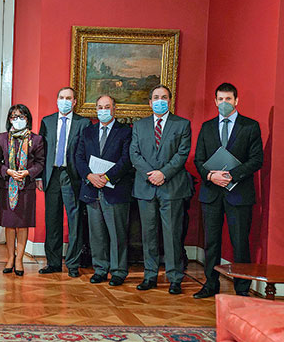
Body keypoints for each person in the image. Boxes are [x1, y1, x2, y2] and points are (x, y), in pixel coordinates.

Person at [193, 83, 263, 299]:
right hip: (211, 192)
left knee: (240, 242)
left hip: (239, 194)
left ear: (236, 101)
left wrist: (232, 175)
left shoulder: (250, 126)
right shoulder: (207, 127)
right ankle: (210, 284)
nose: (224, 103)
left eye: (228, 99)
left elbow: (256, 160)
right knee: (211, 242)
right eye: (220, 99)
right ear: (215, 101)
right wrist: (210, 176)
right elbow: (199, 159)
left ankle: (242, 289)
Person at [130, 85, 192, 295]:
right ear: (150, 102)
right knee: (148, 235)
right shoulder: (139, 125)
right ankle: (150, 276)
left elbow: (182, 154)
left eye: (163, 97)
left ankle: (175, 277)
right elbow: (134, 154)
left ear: (170, 100)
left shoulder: (182, 124)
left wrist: (163, 173)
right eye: (156, 97)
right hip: (146, 187)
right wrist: (151, 174)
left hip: (172, 188)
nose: (159, 100)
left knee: (172, 234)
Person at [75, 95, 132, 286]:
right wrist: (90, 176)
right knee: (96, 233)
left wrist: (107, 177)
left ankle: (118, 271)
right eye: (100, 107)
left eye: (107, 107)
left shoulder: (125, 131)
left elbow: (126, 160)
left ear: (114, 109)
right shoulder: (88, 131)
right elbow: (79, 157)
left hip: (115, 189)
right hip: (92, 188)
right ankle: (100, 269)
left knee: (117, 234)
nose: (103, 110)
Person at [37, 87, 91, 278]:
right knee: (52, 221)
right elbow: (40, 151)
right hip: (51, 176)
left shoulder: (83, 123)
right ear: (57, 99)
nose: (65, 101)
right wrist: (38, 177)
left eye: (69, 98)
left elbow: (86, 151)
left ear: (75, 102)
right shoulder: (47, 121)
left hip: (72, 176)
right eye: (61, 97)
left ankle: (73, 264)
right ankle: (53, 262)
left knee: (75, 220)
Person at [0, 104, 45, 276]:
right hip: (7, 186)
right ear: (9, 119)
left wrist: (28, 172)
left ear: (27, 119)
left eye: (21, 117)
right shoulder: (2, 138)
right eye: (14, 117)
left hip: (26, 188)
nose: (18, 120)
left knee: (22, 226)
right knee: (9, 225)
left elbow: (40, 163)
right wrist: (6, 171)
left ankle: (19, 260)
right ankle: (9, 258)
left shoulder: (36, 139)